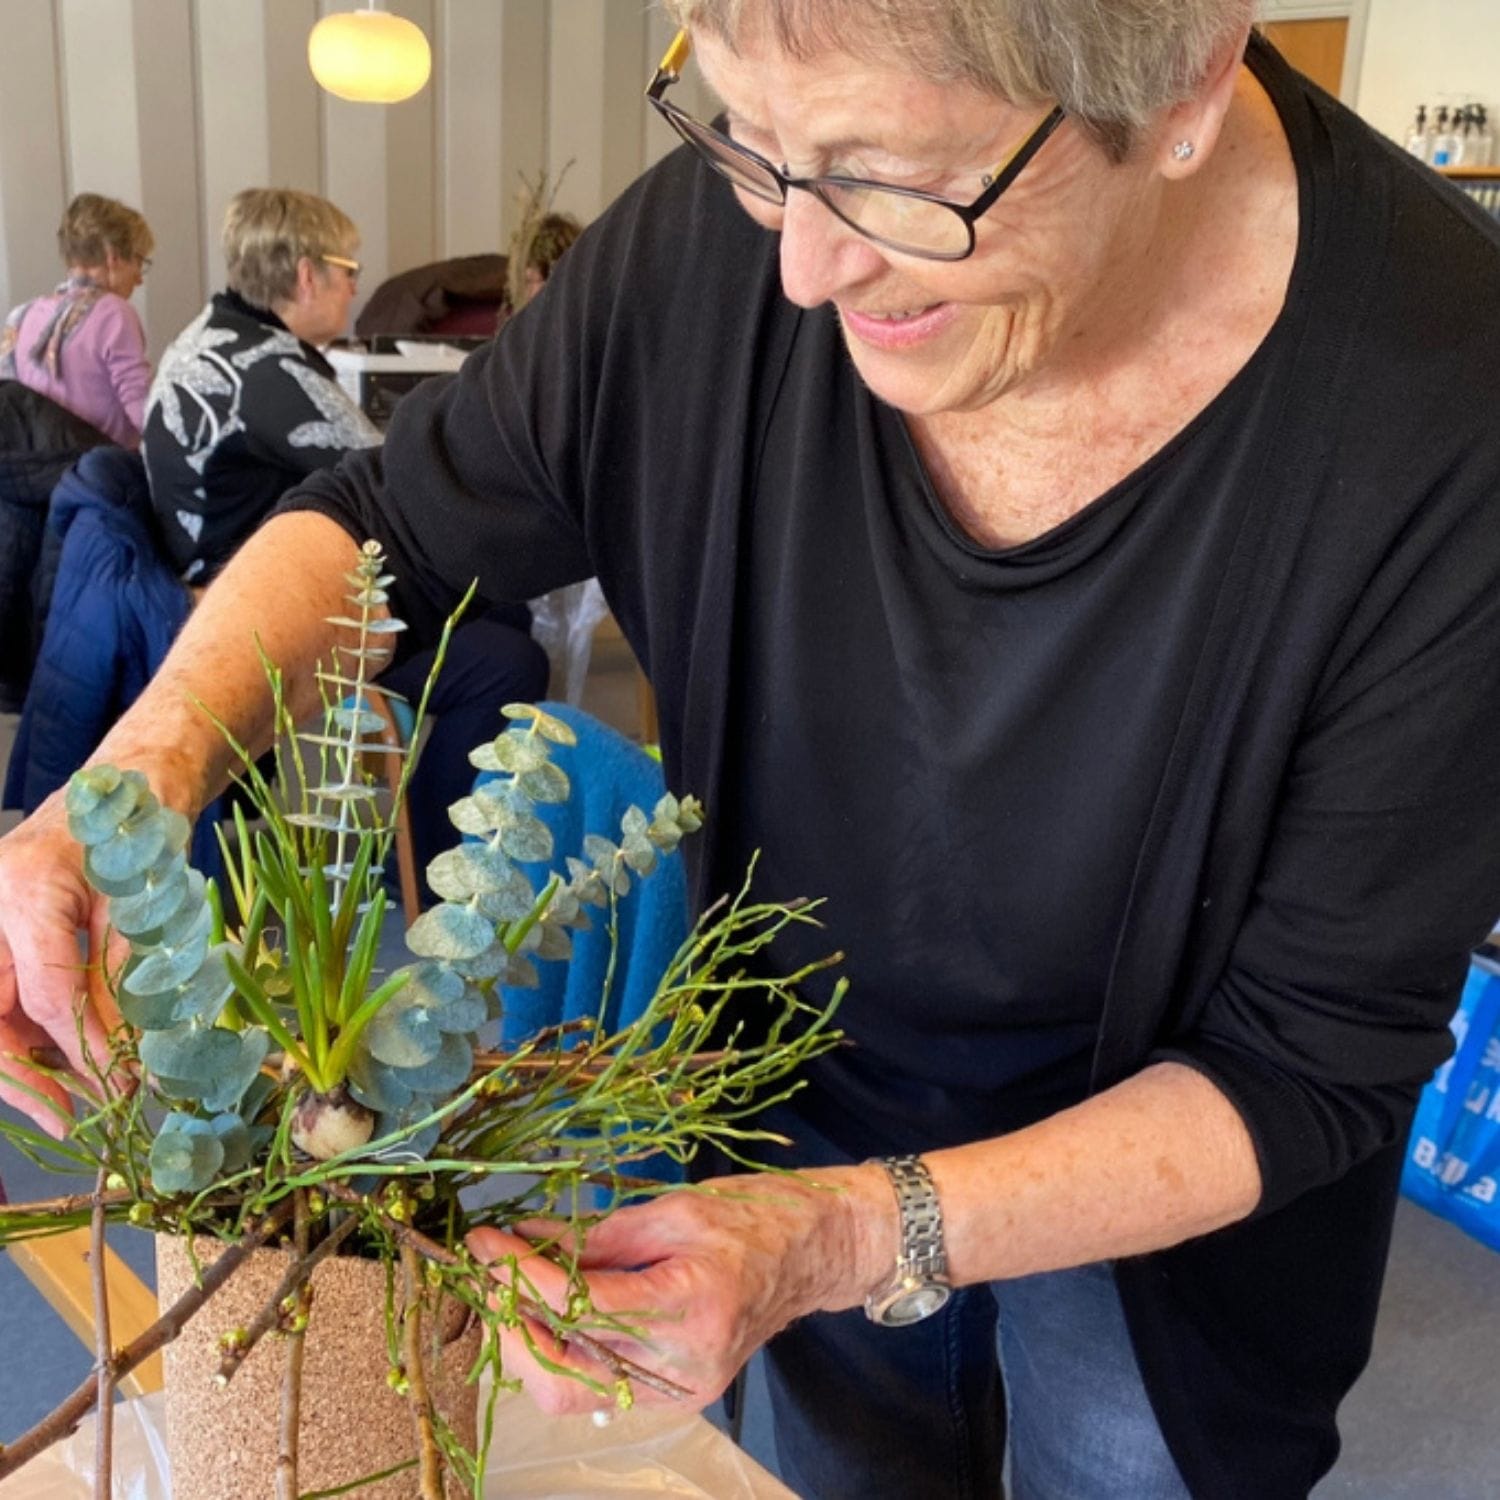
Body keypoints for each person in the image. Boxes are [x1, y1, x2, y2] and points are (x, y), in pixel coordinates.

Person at [3, 4, 1500, 1496]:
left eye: (895, 180)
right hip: (792, 1110)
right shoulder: (733, 243)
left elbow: (1301, 1061)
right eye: (747, 141)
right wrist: (120, 796)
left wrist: (850, 1234)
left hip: (1163, 1227)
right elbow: (388, 524)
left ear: (1179, 81)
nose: (799, 266)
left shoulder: (1443, 414)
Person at [141, 187, 547, 874]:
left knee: (499, 616)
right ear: (306, 274)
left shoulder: (210, 337)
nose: (355, 286)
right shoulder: (272, 369)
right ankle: (426, 861)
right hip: (261, 612)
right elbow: (390, 482)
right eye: (349, 270)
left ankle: (427, 829)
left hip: (210, 586)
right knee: (510, 653)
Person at [0, 193, 154, 448]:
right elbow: (143, 412)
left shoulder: (21, 315)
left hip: (32, 477)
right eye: (139, 261)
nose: (139, 278)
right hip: (101, 477)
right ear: (112, 257)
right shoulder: (114, 314)